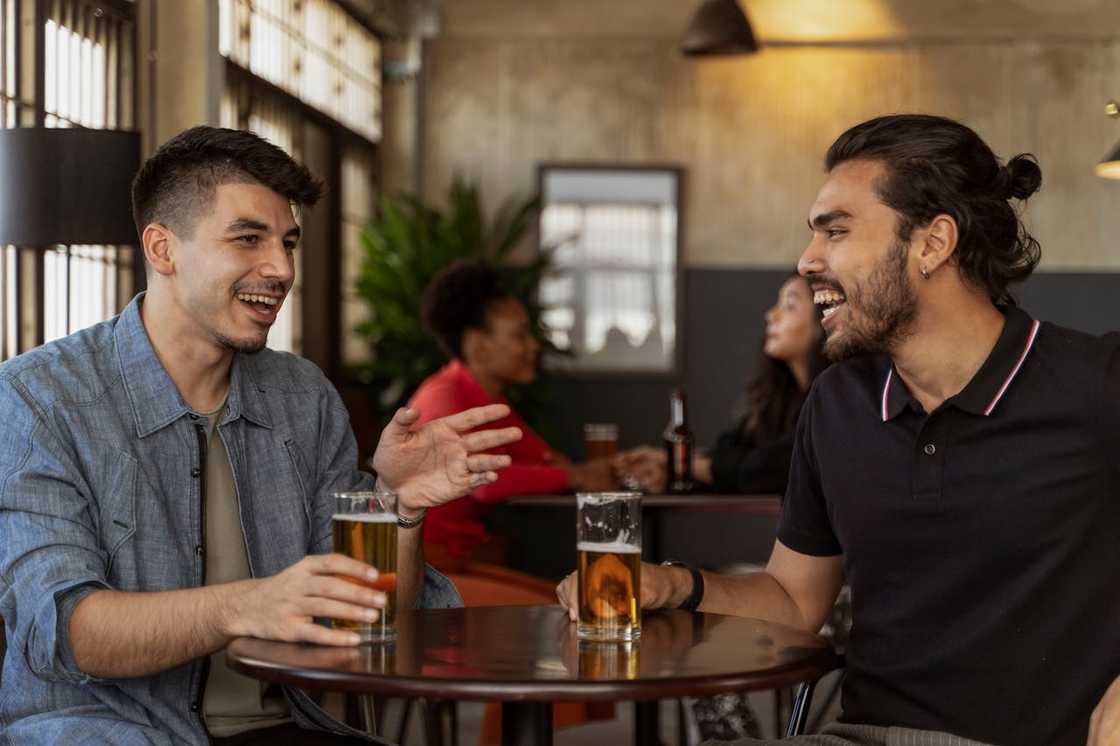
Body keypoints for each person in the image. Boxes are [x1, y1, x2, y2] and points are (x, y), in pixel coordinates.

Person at [558, 114, 1120, 746]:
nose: (807, 260)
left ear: (933, 243)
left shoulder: (1097, 383)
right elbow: (794, 600)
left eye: (836, 231)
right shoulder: (839, 402)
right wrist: (673, 584)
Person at [0, 126, 522, 745]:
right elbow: (68, 631)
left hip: (282, 726)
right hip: (107, 729)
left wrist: (399, 508)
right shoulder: (38, 398)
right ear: (163, 249)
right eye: (248, 238)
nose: (281, 268)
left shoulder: (302, 396)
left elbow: (368, 618)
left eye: (288, 242)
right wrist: (245, 605)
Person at [410, 259, 617, 565]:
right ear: (478, 346)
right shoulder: (445, 396)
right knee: (562, 593)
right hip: (428, 569)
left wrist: (612, 467)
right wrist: (576, 475)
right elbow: (484, 482)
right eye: (520, 336)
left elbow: (545, 460)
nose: (533, 346)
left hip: (460, 560)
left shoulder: (486, 399)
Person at [617, 273, 827, 495]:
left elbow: (772, 468)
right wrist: (671, 465)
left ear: (822, 322)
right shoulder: (780, 397)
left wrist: (680, 464)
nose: (771, 315)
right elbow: (729, 449)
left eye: (789, 306)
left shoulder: (830, 403)